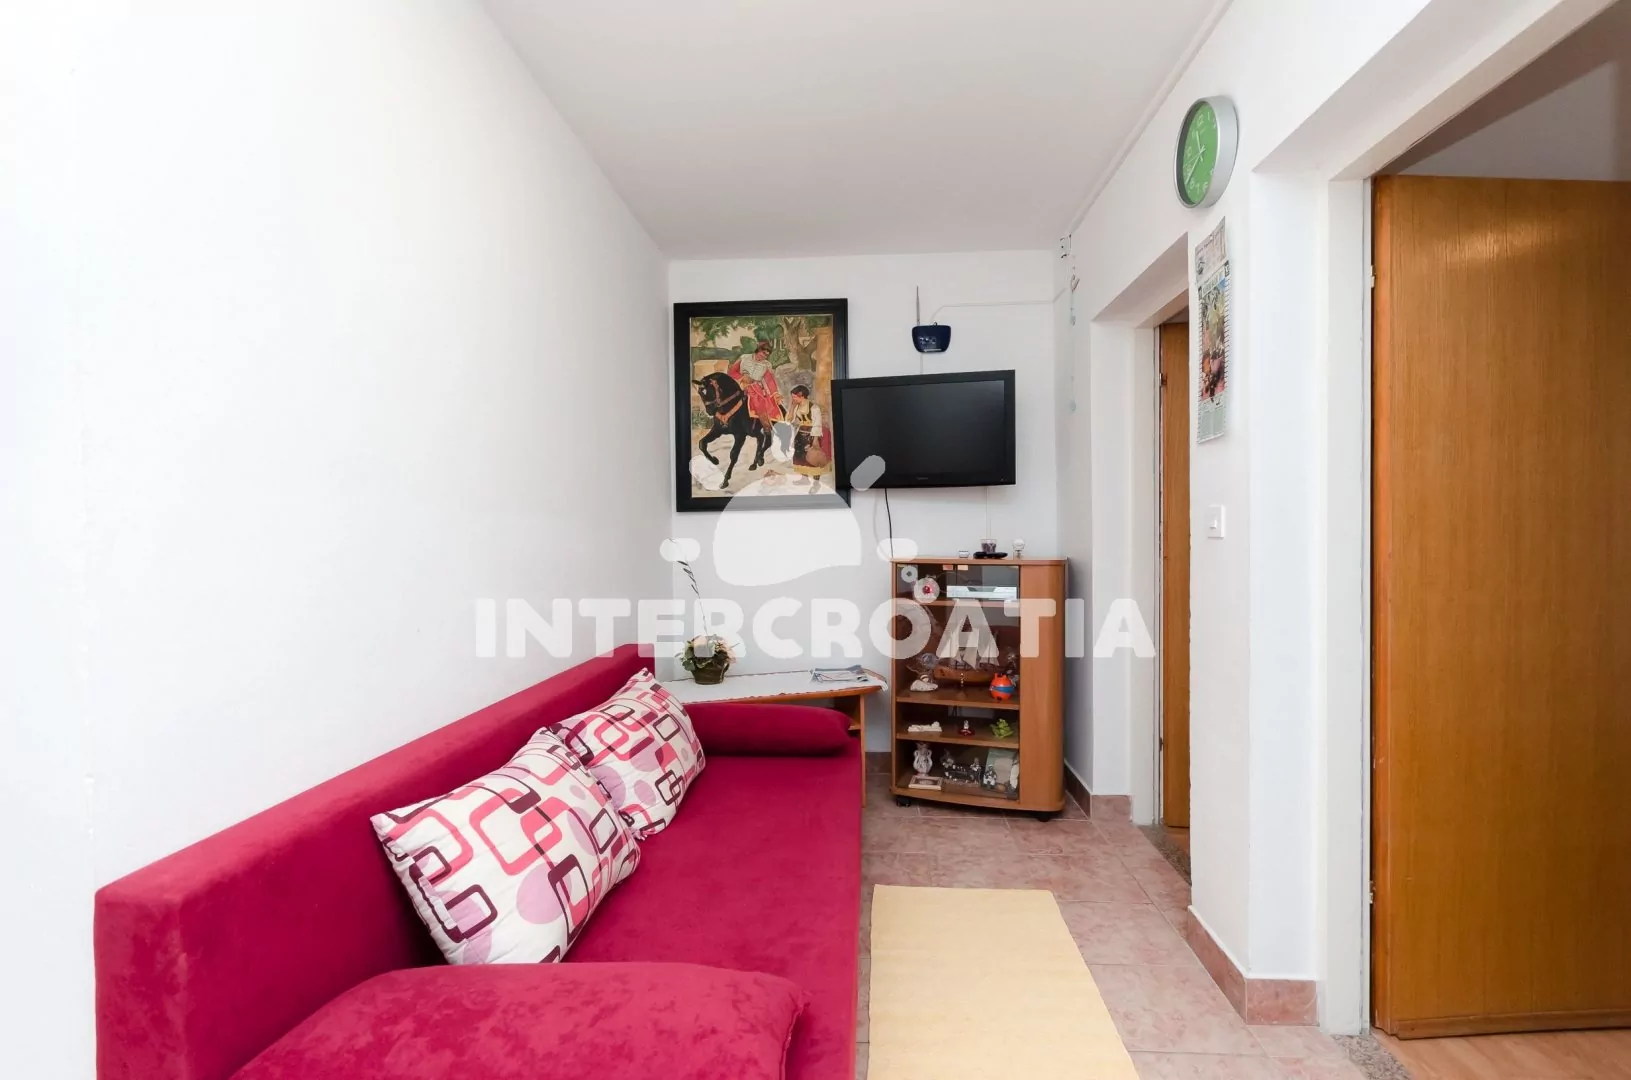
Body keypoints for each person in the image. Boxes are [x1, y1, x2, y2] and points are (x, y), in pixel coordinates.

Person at [727, 339, 785, 429]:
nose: (764, 356)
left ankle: (766, 425)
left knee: (763, 401)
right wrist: (742, 377)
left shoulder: (766, 365)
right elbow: (732, 372)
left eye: (766, 355)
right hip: (740, 384)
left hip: (756, 388)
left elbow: (770, 381)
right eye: (763, 353)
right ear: (758, 350)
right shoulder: (744, 358)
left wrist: (775, 393)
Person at [787, 384, 832, 492]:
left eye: (794, 397)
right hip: (800, 435)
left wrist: (815, 440)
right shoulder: (797, 407)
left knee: (813, 459)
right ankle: (804, 479)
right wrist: (792, 407)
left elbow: (817, 424)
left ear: (802, 396)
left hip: (812, 435)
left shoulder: (814, 408)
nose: (793, 399)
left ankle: (816, 484)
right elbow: (789, 420)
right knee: (800, 458)